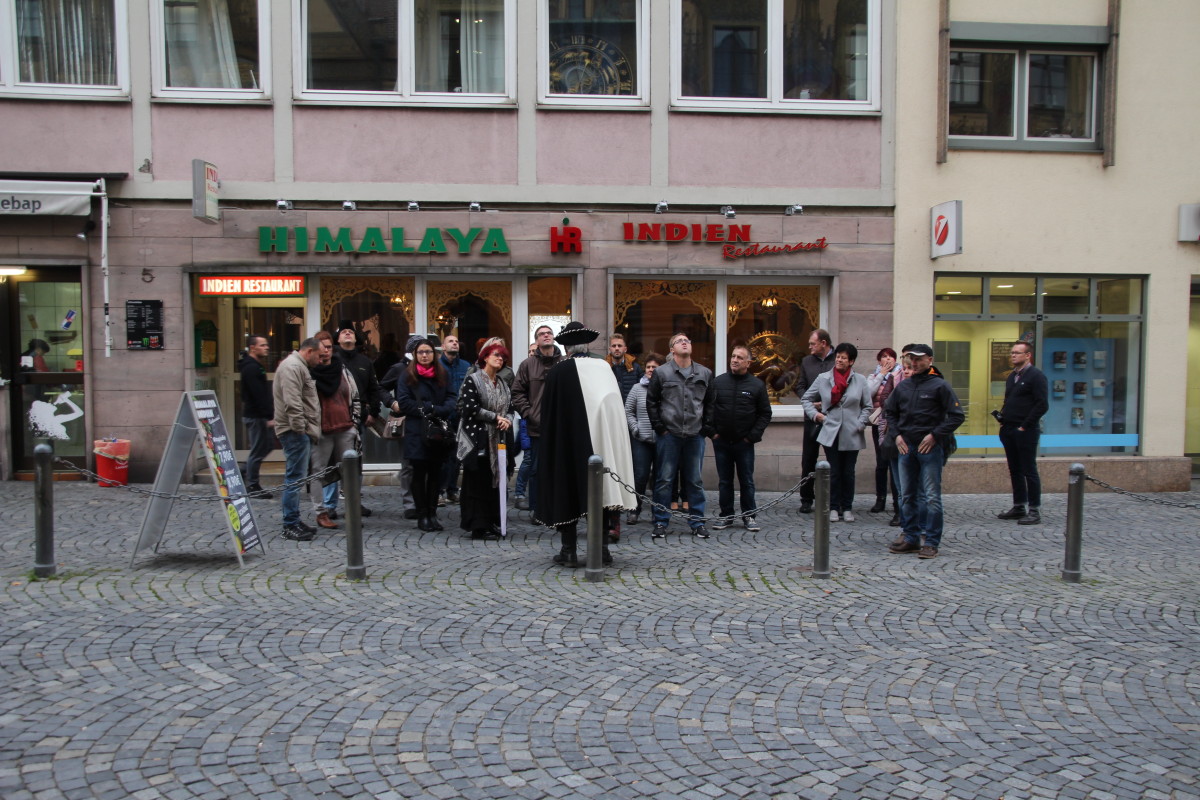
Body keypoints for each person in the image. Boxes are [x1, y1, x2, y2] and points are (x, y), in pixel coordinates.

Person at [536, 322, 636, 567]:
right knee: (600, 492)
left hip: (568, 444)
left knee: (567, 490)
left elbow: (548, 414)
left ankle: (568, 551)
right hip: (602, 443)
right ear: (586, 345)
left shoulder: (559, 371)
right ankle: (601, 550)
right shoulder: (604, 367)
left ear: (567, 348)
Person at [884, 343, 965, 559]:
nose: (915, 363)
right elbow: (889, 411)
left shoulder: (940, 386)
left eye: (919, 359)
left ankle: (930, 542)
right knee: (907, 496)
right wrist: (897, 435)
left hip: (930, 448)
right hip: (906, 448)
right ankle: (911, 537)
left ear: (930, 360)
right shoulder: (904, 386)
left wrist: (935, 435)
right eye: (912, 359)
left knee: (931, 497)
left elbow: (957, 416)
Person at [647, 332, 714, 540]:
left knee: (694, 480)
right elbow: (652, 402)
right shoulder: (661, 373)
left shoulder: (705, 373)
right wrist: (660, 428)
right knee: (664, 479)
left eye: (687, 340)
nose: (684, 343)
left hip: (695, 434)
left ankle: (697, 522)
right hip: (669, 434)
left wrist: (705, 428)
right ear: (671, 349)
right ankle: (660, 521)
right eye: (679, 341)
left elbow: (711, 403)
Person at [802, 343, 872, 522]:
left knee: (848, 472)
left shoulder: (860, 380)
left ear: (851, 361)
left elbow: (867, 406)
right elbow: (806, 399)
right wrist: (816, 415)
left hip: (852, 432)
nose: (839, 360)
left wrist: (861, 422)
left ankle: (847, 507)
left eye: (844, 358)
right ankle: (833, 506)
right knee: (833, 471)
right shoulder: (823, 378)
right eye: (838, 356)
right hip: (830, 430)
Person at [395, 338, 457, 532]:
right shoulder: (407, 375)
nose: (424, 355)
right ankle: (422, 514)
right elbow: (404, 402)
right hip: (416, 430)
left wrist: (437, 410)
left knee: (436, 473)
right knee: (419, 473)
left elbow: (452, 398)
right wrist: (426, 409)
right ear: (415, 355)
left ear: (434, 354)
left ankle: (432, 513)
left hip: (438, 430)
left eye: (428, 352)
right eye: (420, 352)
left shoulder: (443, 374)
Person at [709, 344, 772, 531]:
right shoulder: (718, 382)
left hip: (744, 443)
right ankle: (726, 515)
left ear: (748, 363)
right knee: (724, 481)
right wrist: (712, 433)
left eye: (739, 357)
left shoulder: (757, 385)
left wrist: (752, 437)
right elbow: (708, 410)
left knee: (746, 481)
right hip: (721, 441)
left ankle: (749, 516)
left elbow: (765, 413)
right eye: (733, 356)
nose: (734, 360)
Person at [457, 342, 515, 540]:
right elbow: (469, 408)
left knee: (495, 483)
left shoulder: (503, 383)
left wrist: (507, 419)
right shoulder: (473, 379)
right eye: (496, 355)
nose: (500, 359)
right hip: (479, 439)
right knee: (478, 482)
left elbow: (510, 407)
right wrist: (495, 418)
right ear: (485, 357)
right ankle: (478, 526)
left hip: (499, 439)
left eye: (503, 356)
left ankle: (491, 522)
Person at [308, 332, 361, 530]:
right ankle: (321, 512)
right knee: (317, 471)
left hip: (345, 428)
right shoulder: (309, 372)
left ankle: (352, 513)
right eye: (322, 347)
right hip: (321, 431)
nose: (326, 352)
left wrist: (354, 424)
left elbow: (355, 396)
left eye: (329, 347)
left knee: (348, 471)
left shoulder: (342, 369)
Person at [273, 338, 322, 541]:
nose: (321, 360)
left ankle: (294, 519)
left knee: (297, 478)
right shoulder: (293, 367)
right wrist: (300, 429)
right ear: (309, 351)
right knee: (294, 479)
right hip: (295, 432)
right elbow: (292, 402)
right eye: (319, 355)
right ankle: (290, 524)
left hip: (298, 431)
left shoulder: (297, 366)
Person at [996, 340, 1049, 525]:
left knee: (1029, 470)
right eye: (1012, 352)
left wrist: (1024, 426)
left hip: (1025, 430)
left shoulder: (1036, 376)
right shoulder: (1012, 376)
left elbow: (1042, 404)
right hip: (1009, 429)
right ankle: (1019, 505)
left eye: (1017, 353)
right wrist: (1003, 419)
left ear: (1028, 355)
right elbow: (1009, 400)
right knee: (1015, 470)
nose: (1013, 355)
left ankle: (1034, 510)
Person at [333, 321, 382, 517]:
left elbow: (374, 389)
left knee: (356, 460)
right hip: (335, 417)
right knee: (333, 461)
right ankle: (329, 506)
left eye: (350, 332)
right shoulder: (332, 360)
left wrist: (373, 412)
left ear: (355, 338)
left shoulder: (365, 362)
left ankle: (354, 502)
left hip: (358, 417)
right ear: (337, 339)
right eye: (343, 331)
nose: (347, 334)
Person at [511, 325, 562, 512]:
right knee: (536, 469)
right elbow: (517, 393)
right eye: (542, 334)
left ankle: (557, 510)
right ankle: (536, 509)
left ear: (553, 337)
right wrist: (529, 413)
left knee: (559, 470)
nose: (546, 335)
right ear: (537, 340)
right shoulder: (527, 364)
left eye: (549, 333)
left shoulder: (565, 363)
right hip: (537, 427)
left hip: (560, 427)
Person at [794, 328, 836, 513]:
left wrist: (825, 403)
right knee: (808, 459)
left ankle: (833, 499)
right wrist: (810, 402)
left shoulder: (837, 360)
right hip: (811, 417)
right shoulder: (807, 361)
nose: (810, 347)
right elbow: (800, 386)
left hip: (832, 417)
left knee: (833, 459)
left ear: (823, 343)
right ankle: (806, 498)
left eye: (813, 343)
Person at [623, 352, 663, 526]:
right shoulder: (637, 388)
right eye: (648, 367)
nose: (651, 370)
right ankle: (634, 510)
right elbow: (628, 411)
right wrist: (635, 428)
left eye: (654, 367)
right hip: (641, 439)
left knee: (660, 478)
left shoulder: (666, 388)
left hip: (662, 439)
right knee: (640, 476)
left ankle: (658, 512)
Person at [238, 334, 275, 497]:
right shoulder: (251, 368)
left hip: (259, 415)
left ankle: (244, 470)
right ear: (252, 348)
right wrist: (268, 416)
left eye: (266, 345)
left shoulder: (255, 366)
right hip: (256, 416)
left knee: (266, 446)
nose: (266, 348)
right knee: (258, 449)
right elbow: (257, 394)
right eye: (262, 345)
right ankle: (252, 484)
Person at [866, 347, 902, 516]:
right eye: (884, 357)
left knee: (894, 463)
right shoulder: (873, 376)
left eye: (891, 356)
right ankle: (880, 499)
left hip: (894, 424)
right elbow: (868, 394)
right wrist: (881, 375)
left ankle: (897, 501)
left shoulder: (900, 375)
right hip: (878, 424)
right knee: (881, 463)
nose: (888, 359)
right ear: (879, 361)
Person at [438, 334, 469, 504]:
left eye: (456, 341)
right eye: (450, 341)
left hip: (461, 418)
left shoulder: (465, 366)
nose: (455, 343)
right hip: (443, 417)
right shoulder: (437, 366)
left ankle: (452, 490)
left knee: (457, 456)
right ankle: (439, 491)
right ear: (443, 347)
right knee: (442, 457)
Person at [606, 333, 640, 401]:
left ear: (625, 349)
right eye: (614, 346)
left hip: (630, 406)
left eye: (619, 346)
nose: (617, 348)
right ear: (610, 349)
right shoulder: (604, 368)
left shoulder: (635, 368)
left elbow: (641, 392)